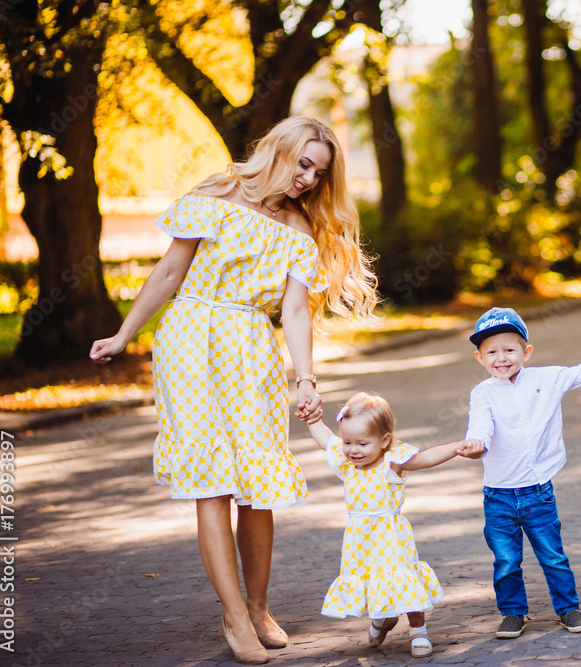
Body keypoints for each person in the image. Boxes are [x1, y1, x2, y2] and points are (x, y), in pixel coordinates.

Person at [90, 116, 378, 663]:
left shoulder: (297, 228)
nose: (308, 179)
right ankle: (234, 616)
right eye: (303, 163)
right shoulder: (213, 192)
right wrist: (124, 334)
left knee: (258, 481)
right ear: (279, 149)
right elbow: (170, 273)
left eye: (318, 172)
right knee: (212, 480)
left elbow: (294, 309)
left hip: (250, 348)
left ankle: (259, 605)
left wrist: (306, 379)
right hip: (189, 344)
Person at [462, 307, 581, 639]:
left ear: (526, 352)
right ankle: (513, 612)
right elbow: (480, 425)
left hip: (537, 491)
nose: (501, 358)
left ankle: (568, 608)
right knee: (506, 561)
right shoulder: (482, 393)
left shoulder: (547, 379)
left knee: (552, 555)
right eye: (492, 352)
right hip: (498, 495)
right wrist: (476, 442)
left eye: (509, 349)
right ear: (480, 358)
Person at [305, 391, 485, 657]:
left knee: (404, 579)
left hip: (390, 536)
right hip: (359, 539)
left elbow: (426, 458)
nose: (353, 449)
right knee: (371, 580)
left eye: (362, 443)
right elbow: (326, 440)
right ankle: (382, 618)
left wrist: (457, 446)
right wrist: (311, 419)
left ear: (384, 440)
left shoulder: (393, 460)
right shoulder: (347, 462)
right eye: (348, 442)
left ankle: (418, 631)